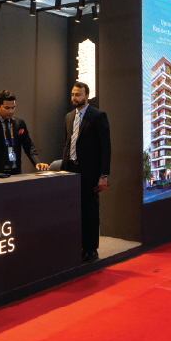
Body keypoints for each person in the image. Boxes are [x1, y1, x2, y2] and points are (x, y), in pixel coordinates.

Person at [61, 81, 111, 264]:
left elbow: (106, 148)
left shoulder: (98, 116)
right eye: (73, 94)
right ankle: (79, 246)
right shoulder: (68, 117)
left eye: (78, 94)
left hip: (90, 173)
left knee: (90, 211)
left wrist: (103, 175)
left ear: (87, 96)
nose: (75, 97)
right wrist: (63, 172)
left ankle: (91, 250)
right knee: (75, 211)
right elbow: (67, 144)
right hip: (70, 171)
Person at [0, 89, 46, 175]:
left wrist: (37, 162)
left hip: (15, 171)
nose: (11, 111)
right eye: (7, 108)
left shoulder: (19, 123)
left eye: (13, 108)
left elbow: (28, 145)